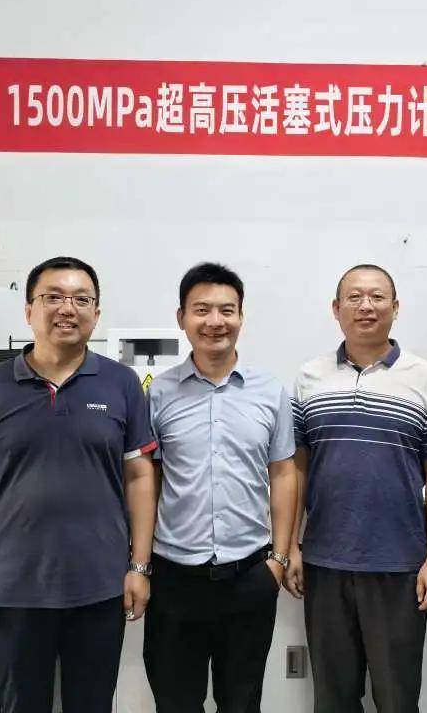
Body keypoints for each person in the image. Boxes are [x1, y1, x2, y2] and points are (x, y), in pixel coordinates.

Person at [0, 256, 157, 713]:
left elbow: (140, 477)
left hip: (100, 587)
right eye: (53, 297)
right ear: (28, 310)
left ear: (96, 313)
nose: (67, 308)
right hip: (11, 588)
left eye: (81, 299)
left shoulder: (121, 384)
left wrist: (139, 566)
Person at [287, 263, 427, 713]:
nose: (366, 306)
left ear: (395, 308)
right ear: (336, 308)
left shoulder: (423, 376)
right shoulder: (309, 378)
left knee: (397, 698)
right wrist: (290, 548)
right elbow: (296, 469)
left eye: (378, 297)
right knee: (333, 698)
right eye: (355, 297)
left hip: (399, 564)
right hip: (324, 561)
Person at [144, 262, 297, 713]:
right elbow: (147, 479)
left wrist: (279, 559)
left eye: (227, 310)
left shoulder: (270, 391)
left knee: (243, 702)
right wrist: (138, 562)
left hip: (249, 576)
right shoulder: (157, 393)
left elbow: (283, 473)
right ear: (181, 318)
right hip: (175, 578)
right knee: (175, 703)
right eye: (202, 310)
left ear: (241, 317)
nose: (215, 321)